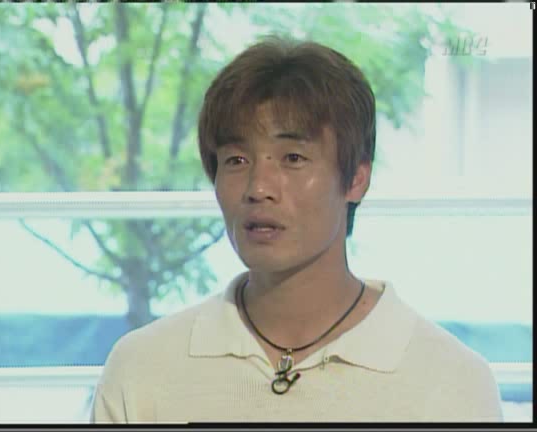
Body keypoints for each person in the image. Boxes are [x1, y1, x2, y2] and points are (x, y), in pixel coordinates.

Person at [91, 36, 503, 423]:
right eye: (236, 160)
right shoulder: (143, 368)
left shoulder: (450, 383)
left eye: (292, 158)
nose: (259, 188)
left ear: (356, 179)